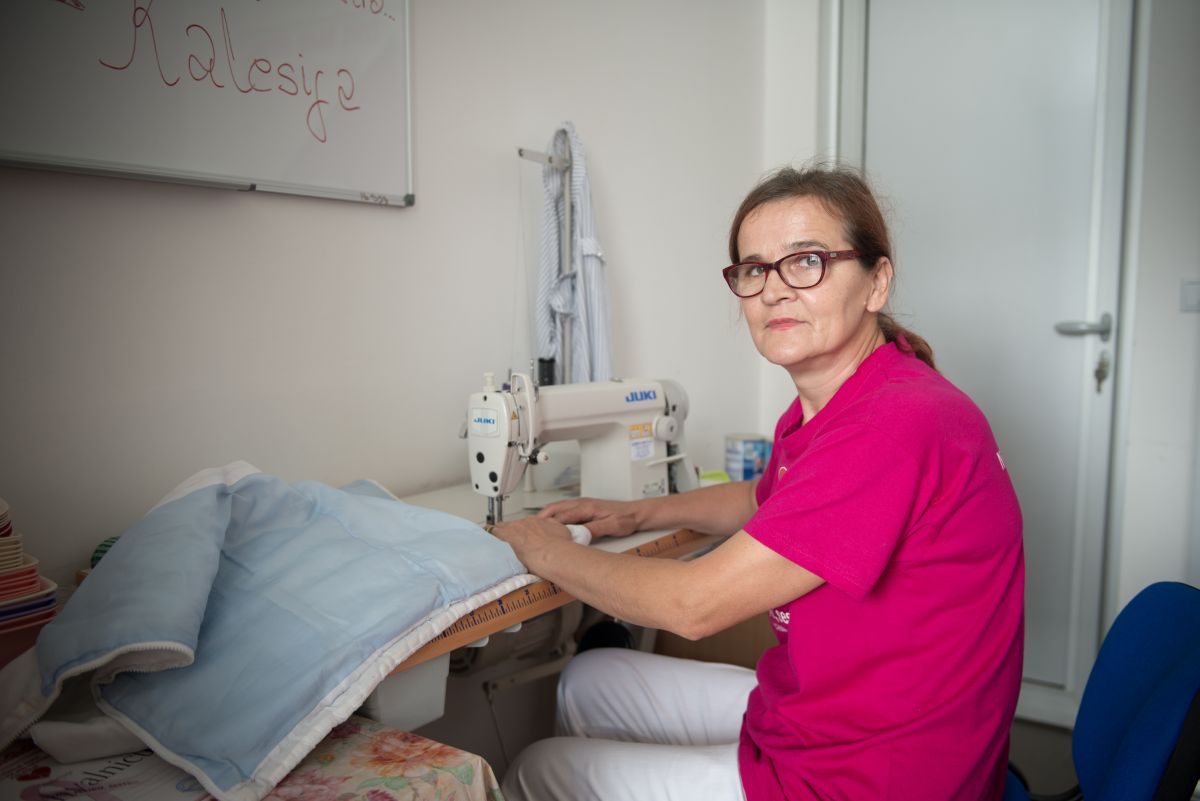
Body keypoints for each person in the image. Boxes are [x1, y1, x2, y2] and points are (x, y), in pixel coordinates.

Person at [491, 164, 1025, 801]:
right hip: (836, 711)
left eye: (806, 262)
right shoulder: (844, 402)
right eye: (754, 270)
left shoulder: (892, 425)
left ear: (876, 282)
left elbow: (694, 606)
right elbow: (760, 499)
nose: (773, 291)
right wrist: (638, 514)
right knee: (590, 681)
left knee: (537, 768)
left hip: (872, 776)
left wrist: (547, 551)